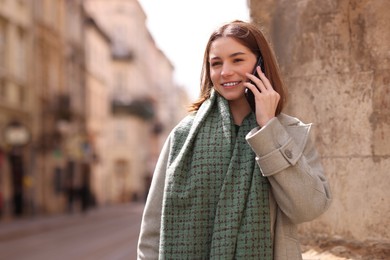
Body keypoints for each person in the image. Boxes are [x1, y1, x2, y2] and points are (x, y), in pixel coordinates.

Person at [137, 20, 332, 260]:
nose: (225, 71)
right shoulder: (183, 137)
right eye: (216, 63)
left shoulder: (289, 133)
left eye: (237, 60)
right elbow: (152, 234)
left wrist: (269, 129)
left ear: (261, 64)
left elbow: (309, 207)